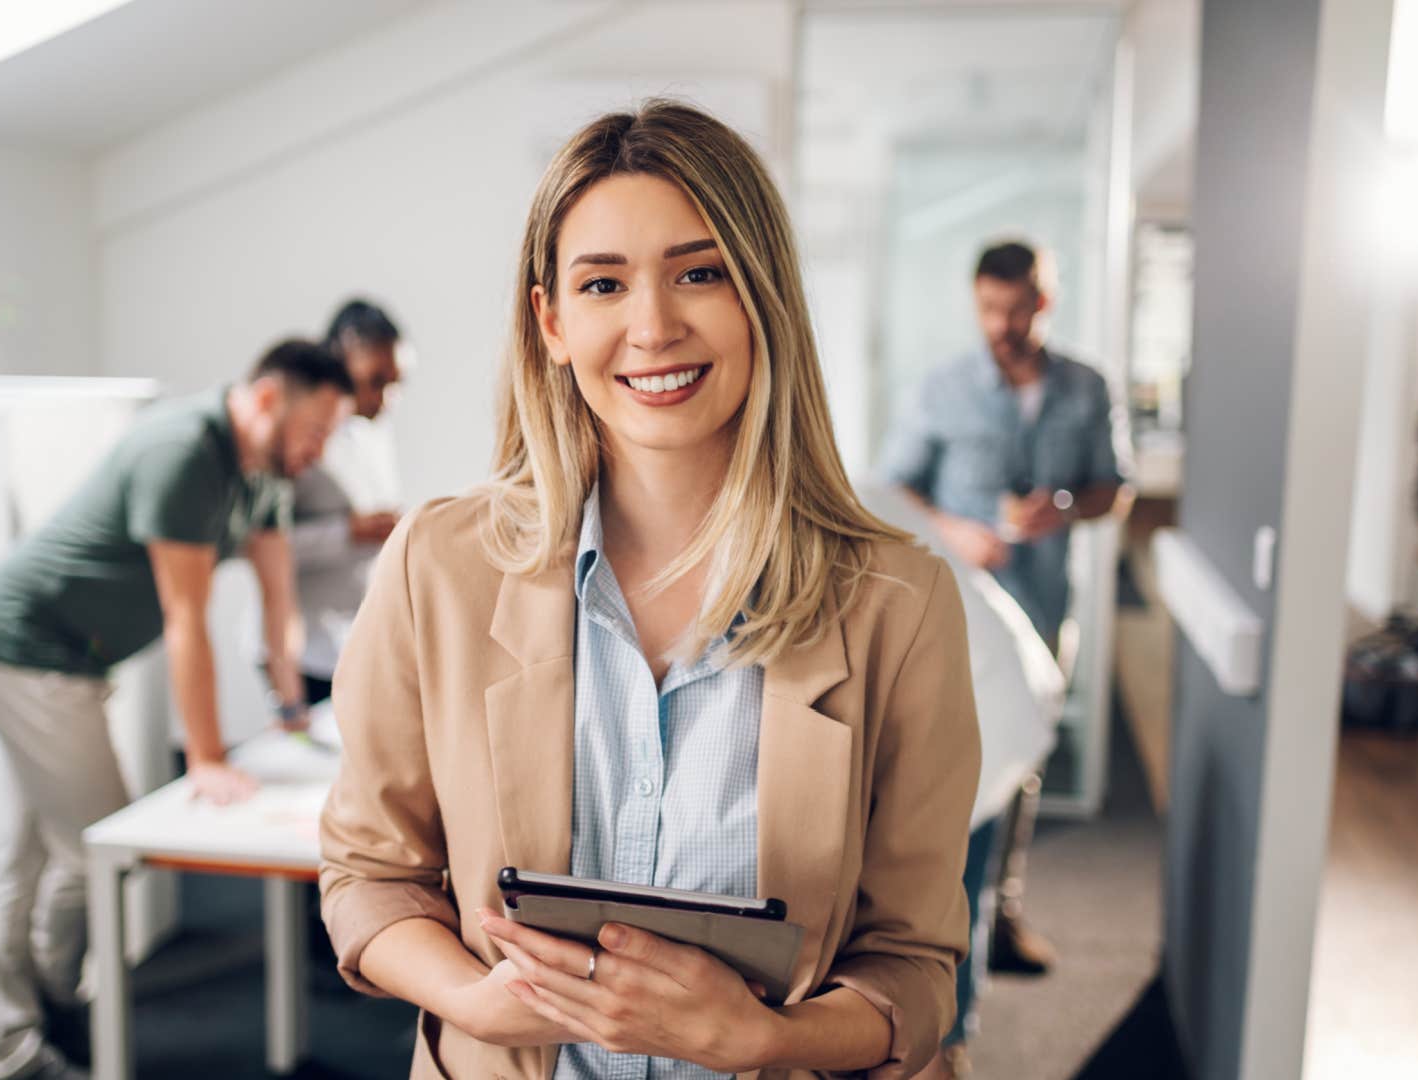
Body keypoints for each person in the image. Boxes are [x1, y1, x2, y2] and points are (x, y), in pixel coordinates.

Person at [318, 101, 980, 1079]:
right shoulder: (438, 566)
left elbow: (916, 967)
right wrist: (476, 1002)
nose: (653, 326)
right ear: (551, 321)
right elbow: (371, 875)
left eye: (700, 273)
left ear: (764, 296)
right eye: (603, 283)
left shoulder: (899, 602)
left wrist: (767, 1038)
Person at [0, 340, 352, 1080]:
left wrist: (294, 709)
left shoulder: (265, 472)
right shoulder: (184, 452)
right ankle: (43, 1019)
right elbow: (186, 618)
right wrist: (203, 757)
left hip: (71, 659)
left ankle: (10, 1042)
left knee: (26, 850)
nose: (319, 449)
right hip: (27, 651)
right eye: (316, 430)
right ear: (266, 400)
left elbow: (278, 599)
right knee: (93, 847)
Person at [882, 239, 1131, 980]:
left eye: (1016, 309)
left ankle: (1002, 917)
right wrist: (956, 530)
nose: (1001, 323)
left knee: (1022, 766)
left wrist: (1062, 505)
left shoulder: (1088, 389)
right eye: (989, 308)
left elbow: (1114, 489)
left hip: (1046, 610)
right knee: (948, 767)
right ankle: (934, 928)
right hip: (960, 619)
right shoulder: (941, 388)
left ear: (1043, 303)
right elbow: (892, 489)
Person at [861, 485, 1064, 1080]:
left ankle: (946, 1049)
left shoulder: (821, 517)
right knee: (954, 898)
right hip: (1002, 680)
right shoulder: (860, 482)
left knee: (937, 921)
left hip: (984, 708)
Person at [285, 299, 405, 705]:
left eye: (395, 383)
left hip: (351, 641)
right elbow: (259, 542)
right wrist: (347, 533)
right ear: (343, 354)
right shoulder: (301, 433)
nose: (386, 399)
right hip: (303, 646)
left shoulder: (375, 429)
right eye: (376, 380)